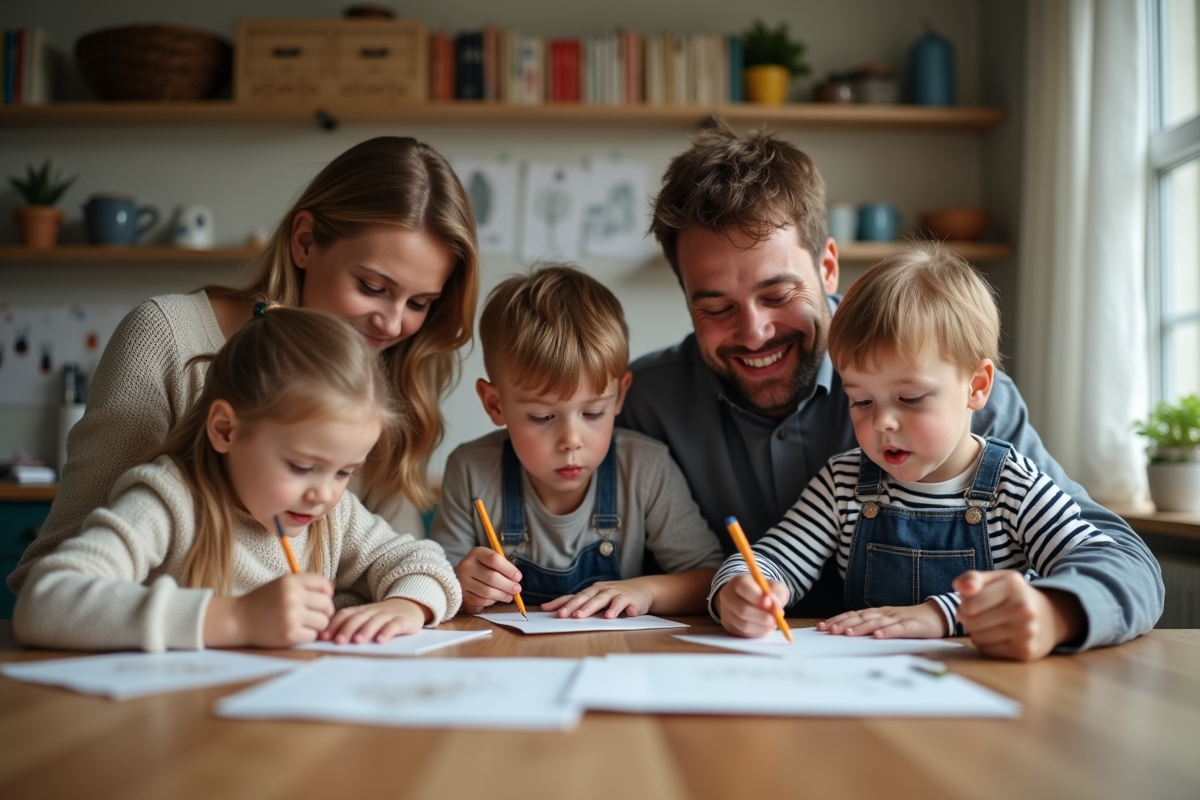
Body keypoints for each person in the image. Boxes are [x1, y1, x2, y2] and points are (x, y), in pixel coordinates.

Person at [617, 121, 1163, 631]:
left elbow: (1119, 560)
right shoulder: (642, 402)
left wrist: (1055, 612)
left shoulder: (961, 397)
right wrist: (733, 587)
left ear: (828, 267)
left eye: (778, 295)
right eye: (716, 307)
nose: (755, 333)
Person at [8, 136, 479, 598]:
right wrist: (232, 621)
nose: (393, 324)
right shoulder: (167, 342)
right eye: (372, 287)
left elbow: (400, 567)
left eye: (419, 302)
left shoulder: (383, 375)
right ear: (305, 241)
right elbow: (49, 581)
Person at [710, 243, 1162, 659]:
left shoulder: (1014, 485)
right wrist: (742, 587)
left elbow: (1094, 563)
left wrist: (953, 613)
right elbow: (772, 557)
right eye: (861, 400)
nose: (881, 422)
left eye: (909, 398)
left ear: (977, 386)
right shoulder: (843, 483)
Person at [13, 305, 462, 652]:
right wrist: (235, 619)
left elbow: (423, 560)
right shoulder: (169, 501)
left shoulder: (331, 515)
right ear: (226, 429)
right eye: (302, 466)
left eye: (345, 471)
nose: (324, 492)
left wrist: (407, 605)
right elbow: (45, 602)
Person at [429, 265, 724, 619]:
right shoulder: (471, 470)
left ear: (619, 397)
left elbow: (711, 578)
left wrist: (645, 591)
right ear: (495, 404)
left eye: (593, 413)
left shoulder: (646, 469)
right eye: (542, 417)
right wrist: (462, 588)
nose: (571, 441)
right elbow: (437, 583)